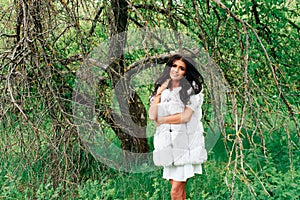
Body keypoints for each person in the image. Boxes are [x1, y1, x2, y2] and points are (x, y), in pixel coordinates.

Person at [148, 54, 207, 200]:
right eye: (174, 66)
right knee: (179, 193)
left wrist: (162, 120)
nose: (176, 70)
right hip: (167, 146)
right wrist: (159, 94)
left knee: (175, 192)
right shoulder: (162, 90)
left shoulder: (191, 91)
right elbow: (151, 116)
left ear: (186, 73)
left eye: (181, 68)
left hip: (185, 146)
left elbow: (185, 117)